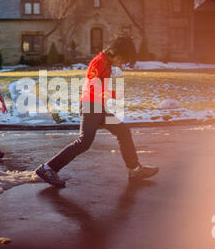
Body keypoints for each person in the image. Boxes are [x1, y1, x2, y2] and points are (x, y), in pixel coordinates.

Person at [35, 36, 158, 188]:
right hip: (90, 106)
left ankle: (134, 169)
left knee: (123, 131)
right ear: (116, 52)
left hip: (98, 108)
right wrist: (114, 93)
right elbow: (93, 86)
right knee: (84, 141)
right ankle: (48, 169)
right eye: (122, 59)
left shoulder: (106, 63)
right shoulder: (99, 61)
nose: (121, 63)